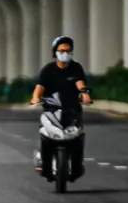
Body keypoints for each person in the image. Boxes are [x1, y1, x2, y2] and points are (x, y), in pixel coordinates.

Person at [30, 36, 92, 174]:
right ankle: (43, 160)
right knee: (45, 134)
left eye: (68, 51)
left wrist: (84, 94)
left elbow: (80, 83)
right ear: (55, 52)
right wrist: (35, 98)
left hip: (72, 109)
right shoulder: (48, 69)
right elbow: (39, 87)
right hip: (51, 110)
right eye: (62, 50)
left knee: (78, 137)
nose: (65, 53)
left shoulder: (76, 68)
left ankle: (77, 164)